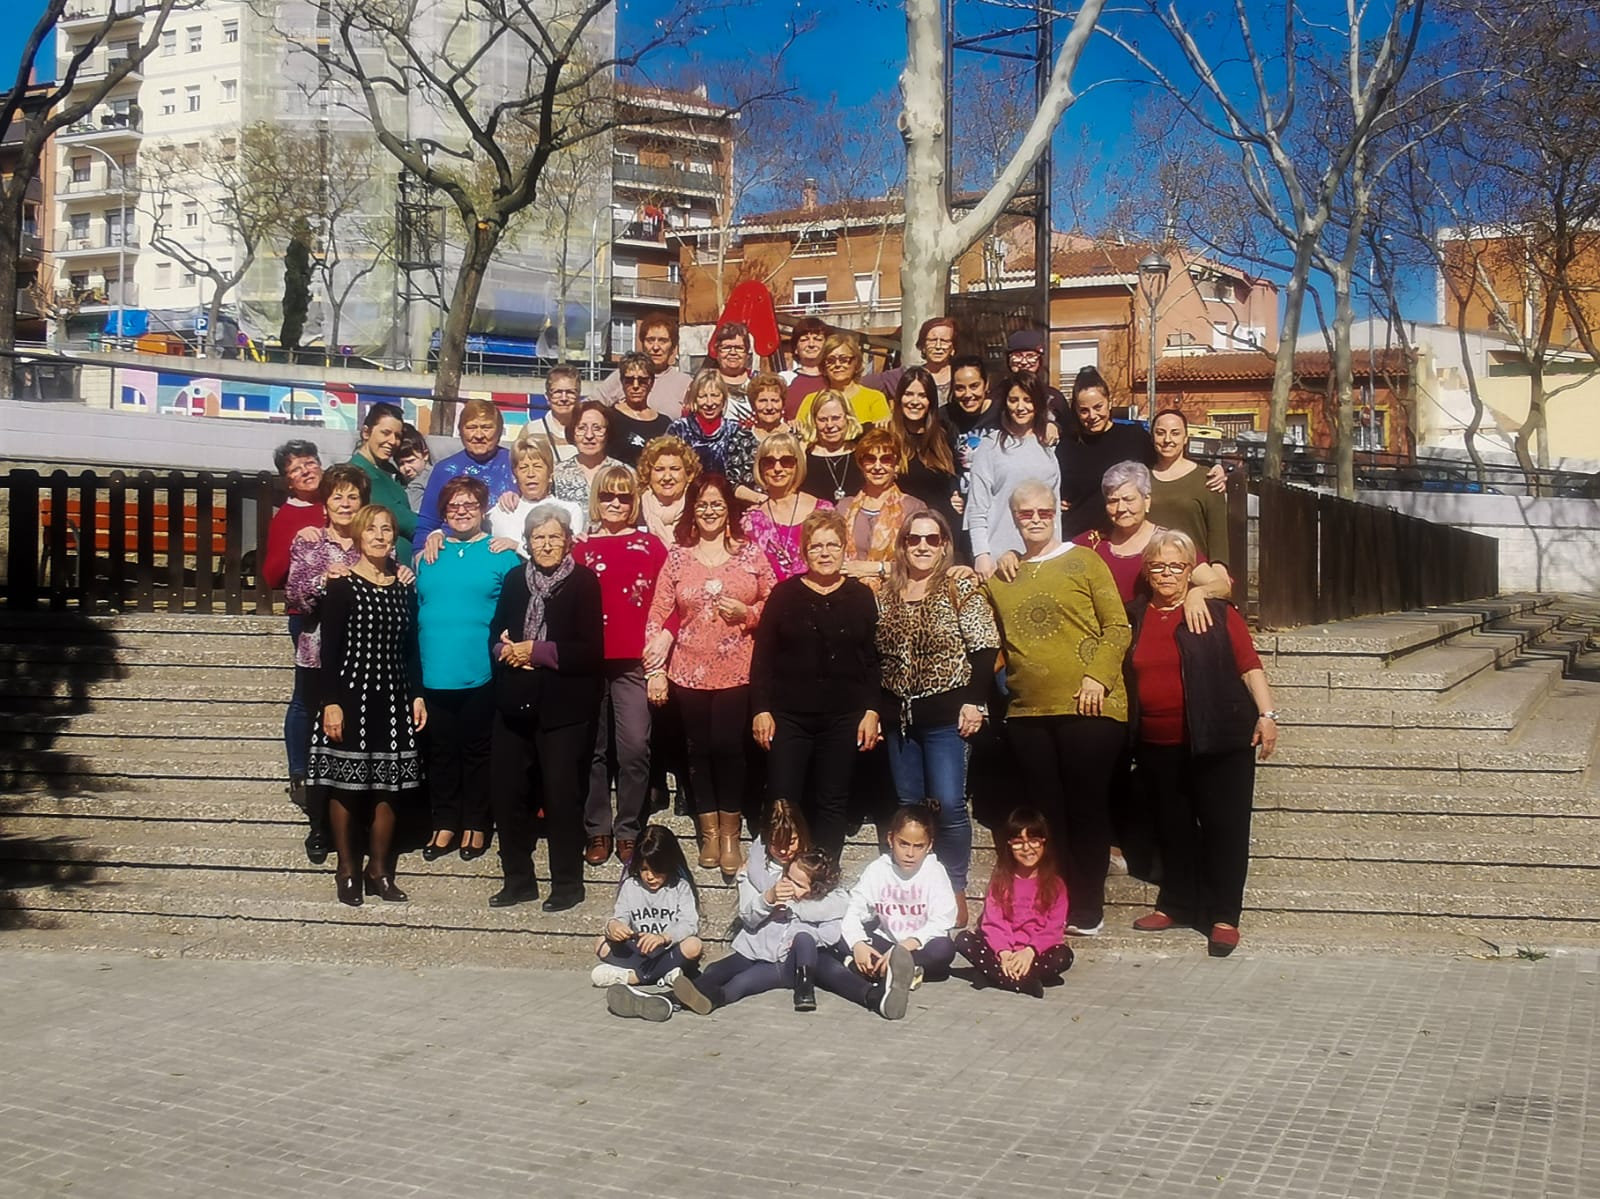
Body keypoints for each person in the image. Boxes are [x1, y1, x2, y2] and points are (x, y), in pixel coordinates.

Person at [985, 479, 1131, 937]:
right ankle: (1055, 903)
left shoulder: (1084, 561)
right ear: (1014, 518)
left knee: (1084, 807)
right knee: (1046, 814)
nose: (1034, 520)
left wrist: (1098, 676)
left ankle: (1087, 906)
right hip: (1029, 711)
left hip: (1089, 705)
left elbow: (1118, 627)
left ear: (1056, 514)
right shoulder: (1003, 577)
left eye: (1042, 513)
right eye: (1025, 514)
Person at [1126, 528, 1278, 957]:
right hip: (1157, 743)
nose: (1167, 574)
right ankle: (1177, 904)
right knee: (1173, 830)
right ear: (1147, 571)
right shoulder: (1134, 615)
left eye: (1177, 566)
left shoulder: (1215, 610)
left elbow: (1249, 665)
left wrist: (1268, 715)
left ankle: (1223, 916)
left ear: (1191, 571)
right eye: (1158, 566)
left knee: (1225, 829)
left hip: (1219, 739)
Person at [645, 473, 776, 876]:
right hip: (688, 670)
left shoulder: (751, 554)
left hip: (738, 670)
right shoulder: (679, 556)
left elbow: (776, 604)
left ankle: (732, 833)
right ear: (692, 510)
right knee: (697, 751)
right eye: (702, 504)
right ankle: (709, 833)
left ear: (729, 510)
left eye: (717, 504)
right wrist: (655, 670)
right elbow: (657, 613)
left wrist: (748, 613)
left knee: (728, 748)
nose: (710, 511)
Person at [875, 510, 1000, 928]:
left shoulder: (958, 584)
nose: (923, 547)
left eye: (932, 539)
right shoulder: (887, 593)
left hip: (947, 713)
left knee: (947, 804)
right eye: (914, 539)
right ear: (903, 545)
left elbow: (984, 646)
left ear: (945, 544)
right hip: (900, 717)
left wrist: (975, 702)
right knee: (908, 805)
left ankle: (954, 886)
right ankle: (911, 888)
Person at [487, 503, 606, 912]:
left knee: (560, 795)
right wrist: (507, 650)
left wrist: (535, 651)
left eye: (555, 536)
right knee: (508, 794)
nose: (547, 544)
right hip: (514, 702)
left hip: (563, 709)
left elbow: (590, 651)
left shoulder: (584, 583)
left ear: (569, 540)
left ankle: (567, 884)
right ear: (528, 542)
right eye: (539, 537)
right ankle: (518, 880)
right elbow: (496, 636)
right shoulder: (515, 580)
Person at [306, 504, 427, 907]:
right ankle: (347, 870)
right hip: (351, 694)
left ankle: (379, 870)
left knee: (388, 787)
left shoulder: (404, 585)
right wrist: (331, 703)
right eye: (371, 529)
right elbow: (330, 650)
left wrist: (417, 693)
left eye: (386, 529)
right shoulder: (342, 585)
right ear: (358, 535)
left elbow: (410, 649)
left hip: (392, 696)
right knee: (347, 784)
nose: (379, 535)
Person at [751, 510, 881, 855]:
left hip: (843, 717)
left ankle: (824, 873)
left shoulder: (861, 596)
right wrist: (760, 709)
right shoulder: (784, 595)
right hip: (790, 716)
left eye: (832, 545)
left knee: (832, 800)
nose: (825, 553)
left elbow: (871, 659)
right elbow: (763, 656)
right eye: (816, 546)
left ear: (844, 549)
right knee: (783, 796)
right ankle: (781, 873)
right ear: (805, 552)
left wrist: (871, 710)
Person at [414, 477, 515, 864]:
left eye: (470, 505)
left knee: (477, 752)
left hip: (481, 672)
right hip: (434, 670)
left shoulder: (500, 554)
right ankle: (445, 822)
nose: (461, 511)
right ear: (442, 513)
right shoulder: (426, 557)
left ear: (483, 510)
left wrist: (518, 546)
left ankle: (476, 822)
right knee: (440, 753)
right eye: (454, 506)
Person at [574, 464, 668, 867]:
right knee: (592, 748)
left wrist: (665, 639)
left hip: (633, 660)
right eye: (608, 495)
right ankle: (598, 828)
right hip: (588, 662)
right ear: (597, 498)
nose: (615, 503)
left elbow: (672, 598)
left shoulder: (651, 546)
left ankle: (629, 827)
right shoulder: (579, 548)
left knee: (634, 747)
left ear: (634, 502)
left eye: (624, 497)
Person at [285, 463, 372, 862]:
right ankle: (314, 814)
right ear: (325, 503)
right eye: (338, 496)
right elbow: (298, 598)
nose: (345, 503)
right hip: (318, 651)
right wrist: (325, 580)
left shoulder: (369, 542)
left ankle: (356, 822)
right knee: (313, 722)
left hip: (361, 658)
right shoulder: (309, 541)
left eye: (353, 496)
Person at [663, 847, 848, 1019]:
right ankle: (674, 997)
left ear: (815, 889)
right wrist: (766, 896)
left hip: (778, 964)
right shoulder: (778, 888)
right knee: (716, 970)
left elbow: (831, 933)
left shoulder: (823, 906)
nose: (789, 885)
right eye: (788, 878)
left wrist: (806, 937)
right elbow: (753, 907)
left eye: (798, 884)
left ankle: (711, 1001)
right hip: (752, 949)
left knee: (742, 983)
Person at [1076, 461, 1232, 616]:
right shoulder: (1092, 542)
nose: (1121, 509)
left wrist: (1197, 594)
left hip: (1152, 633)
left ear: (1147, 501)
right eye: (1113, 501)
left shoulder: (1169, 543)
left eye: (1129, 499)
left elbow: (1220, 586)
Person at [954, 807, 1073, 996]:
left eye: (1033, 840)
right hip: (1002, 952)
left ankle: (993, 976)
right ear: (1009, 845)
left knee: (1063, 956)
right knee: (963, 940)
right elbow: (993, 923)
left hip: (1034, 954)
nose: (1027, 848)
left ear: (1044, 842)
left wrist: (1029, 952)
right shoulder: (1001, 880)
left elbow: (1054, 929)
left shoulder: (1056, 885)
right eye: (1018, 842)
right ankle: (1023, 982)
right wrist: (1004, 953)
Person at [264, 439, 324, 811]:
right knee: (306, 695)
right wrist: (296, 544)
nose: (306, 470)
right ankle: (299, 771)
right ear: (287, 480)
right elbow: (271, 575)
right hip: (306, 617)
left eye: (310, 462)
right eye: (296, 468)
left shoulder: (337, 500)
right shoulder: (286, 515)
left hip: (347, 612)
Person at [842, 804, 958, 994]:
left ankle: (880, 971)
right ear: (890, 839)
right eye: (903, 844)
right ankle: (901, 973)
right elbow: (854, 909)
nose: (910, 853)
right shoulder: (878, 869)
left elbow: (943, 920)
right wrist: (858, 944)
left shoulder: (935, 871)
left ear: (929, 846)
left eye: (918, 846)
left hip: (915, 947)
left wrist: (902, 950)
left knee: (944, 949)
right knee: (839, 936)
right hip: (886, 942)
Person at [591, 826, 704, 996]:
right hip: (639, 950)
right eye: (644, 869)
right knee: (601, 943)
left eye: (657, 870)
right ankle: (666, 974)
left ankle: (634, 977)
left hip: (667, 949)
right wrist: (613, 927)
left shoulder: (680, 887)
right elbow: (620, 916)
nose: (650, 876)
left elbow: (689, 924)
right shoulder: (631, 886)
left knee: (694, 945)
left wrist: (664, 937)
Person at [967, 371, 1059, 578]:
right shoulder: (990, 446)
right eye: (1014, 400)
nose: (1021, 407)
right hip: (998, 556)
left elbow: (1055, 510)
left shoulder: (1047, 444)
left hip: (1042, 557)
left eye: (1028, 400)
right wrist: (982, 554)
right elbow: (977, 506)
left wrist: (1056, 549)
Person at [1056, 365, 1157, 542]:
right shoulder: (1066, 445)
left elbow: (1168, 464)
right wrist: (1054, 499)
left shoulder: (1134, 437)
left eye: (1098, 407)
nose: (1092, 415)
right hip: (1078, 538)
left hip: (1126, 539)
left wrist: (1214, 469)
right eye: (1084, 410)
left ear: (1110, 403)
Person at [415, 399, 516, 542]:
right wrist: (420, 554)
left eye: (486, 428)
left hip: (507, 553)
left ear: (500, 430)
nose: (479, 435)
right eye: (471, 428)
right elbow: (427, 525)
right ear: (460, 431)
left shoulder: (517, 464)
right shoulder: (444, 470)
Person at [838, 427, 928, 580]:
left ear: (897, 465)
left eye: (886, 459)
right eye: (870, 459)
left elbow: (922, 561)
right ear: (861, 465)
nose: (877, 467)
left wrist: (876, 568)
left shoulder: (914, 508)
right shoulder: (843, 508)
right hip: (850, 592)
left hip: (897, 591)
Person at [739, 431, 831, 581]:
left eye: (786, 461)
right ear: (760, 467)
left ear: (797, 465)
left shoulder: (823, 511)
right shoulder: (751, 522)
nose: (777, 468)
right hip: (772, 601)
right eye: (769, 462)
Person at [1150, 408, 1231, 571]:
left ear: (1185, 438)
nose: (1167, 439)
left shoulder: (1207, 479)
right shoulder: (1141, 478)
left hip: (1194, 572)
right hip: (1152, 570)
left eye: (1175, 433)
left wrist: (1218, 573)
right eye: (1160, 433)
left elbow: (1218, 536)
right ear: (1152, 438)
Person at [665, 369, 760, 502]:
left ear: (724, 397)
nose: (709, 403)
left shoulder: (737, 432)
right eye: (703, 396)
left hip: (728, 504)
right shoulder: (678, 430)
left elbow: (747, 479)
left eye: (715, 395)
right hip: (685, 502)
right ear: (694, 399)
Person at [889, 366, 960, 533]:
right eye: (908, 394)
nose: (915, 401)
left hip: (943, 527)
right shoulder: (889, 437)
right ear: (899, 398)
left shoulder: (944, 434)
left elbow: (957, 475)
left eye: (922, 395)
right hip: (903, 529)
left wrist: (958, 496)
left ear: (931, 402)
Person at [489, 432, 587, 549]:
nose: (531, 474)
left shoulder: (570, 510)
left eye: (537, 466)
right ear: (514, 475)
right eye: (523, 468)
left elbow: (567, 555)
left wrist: (517, 547)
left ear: (550, 473)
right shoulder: (501, 511)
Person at [346, 401, 416, 565]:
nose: (393, 441)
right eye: (386, 433)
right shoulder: (358, 474)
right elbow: (405, 521)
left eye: (397, 436)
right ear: (366, 432)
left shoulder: (389, 469)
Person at [593, 311, 692, 417]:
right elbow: (590, 406)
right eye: (650, 340)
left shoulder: (685, 383)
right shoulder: (625, 376)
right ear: (642, 344)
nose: (655, 347)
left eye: (662, 341)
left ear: (673, 347)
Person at [794, 332, 890, 428]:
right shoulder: (811, 400)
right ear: (823, 367)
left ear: (856, 364)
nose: (837, 364)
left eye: (844, 359)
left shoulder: (874, 398)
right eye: (830, 360)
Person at [867, 316, 958, 406]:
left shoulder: (963, 375)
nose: (938, 346)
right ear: (923, 346)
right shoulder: (905, 374)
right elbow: (860, 384)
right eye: (932, 340)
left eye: (945, 341)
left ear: (953, 347)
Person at [606, 351, 674, 467]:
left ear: (651, 382)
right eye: (629, 380)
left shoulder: (665, 423)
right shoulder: (609, 417)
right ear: (622, 382)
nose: (636, 386)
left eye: (642, 380)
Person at [551, 400, 624, 508]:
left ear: (608, 433)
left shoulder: (624, 473)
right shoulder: (556, 474)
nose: (589, 435)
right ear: (572, 432)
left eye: (597, 428)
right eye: (581, 428)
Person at [796, 390, 864, 503]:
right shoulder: (804, 454)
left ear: (847, 417)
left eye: (836, 418)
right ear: (813, 421)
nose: (830, 425)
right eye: (823, 420)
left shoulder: (862, 451)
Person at [706, 320, 755, 421]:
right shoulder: (705, 382)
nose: (733, 352)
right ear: (717, 351)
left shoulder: (758, 381)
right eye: (726, 347)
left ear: (747, 352)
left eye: (739, 348)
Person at [782, 317, 829, 416]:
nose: (811, 344)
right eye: (804, 340)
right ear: (795, 348)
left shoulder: (835, 378)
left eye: (817, 339)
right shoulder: (784, 379)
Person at [532, 367, 582, 461]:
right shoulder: (532, 430)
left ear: (578, 396)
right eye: (557, 392)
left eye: (570, 392)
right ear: (547, 397)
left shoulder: (589, 431)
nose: (564, 398)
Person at [394, 423, 433, 514]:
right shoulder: (398, 480)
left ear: (425, 455)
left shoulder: (433, 478)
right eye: (401, 464)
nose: (406, 468)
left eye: (411, 461)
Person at [747, 372, 794, 443]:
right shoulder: (743, 437)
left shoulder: (795, 436)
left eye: (774, 401)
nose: (769, 407)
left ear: (783, 404)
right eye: (763, 401)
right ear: (753, 405)